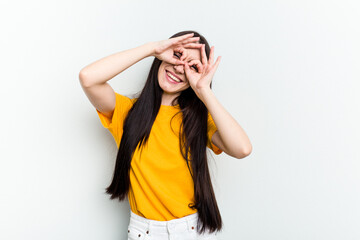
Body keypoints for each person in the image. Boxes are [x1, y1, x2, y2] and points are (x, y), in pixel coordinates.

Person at [79, 30, 252, 240]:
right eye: (177, 56)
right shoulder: (126, 112)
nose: (180, 68)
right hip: (144, 232)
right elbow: (88, 78)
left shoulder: (198, 121)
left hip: (191, 230)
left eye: (192, 66)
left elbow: (242, 149)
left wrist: (204, 90)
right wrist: (152, 48)